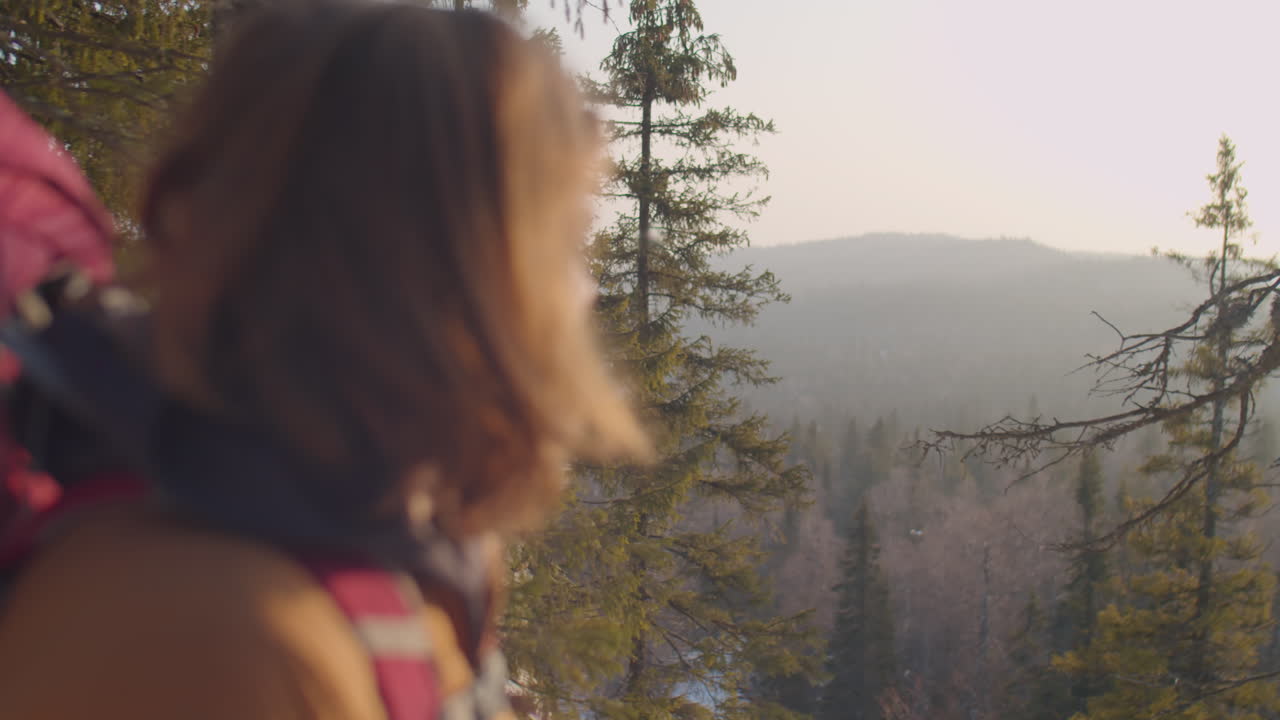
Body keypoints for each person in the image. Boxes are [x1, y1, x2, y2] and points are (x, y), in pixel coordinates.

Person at [0, 2, 648, 718]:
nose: (581, 290)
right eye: (564, 241)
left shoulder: (384, 518)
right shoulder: (212, 647)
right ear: (459, 283)